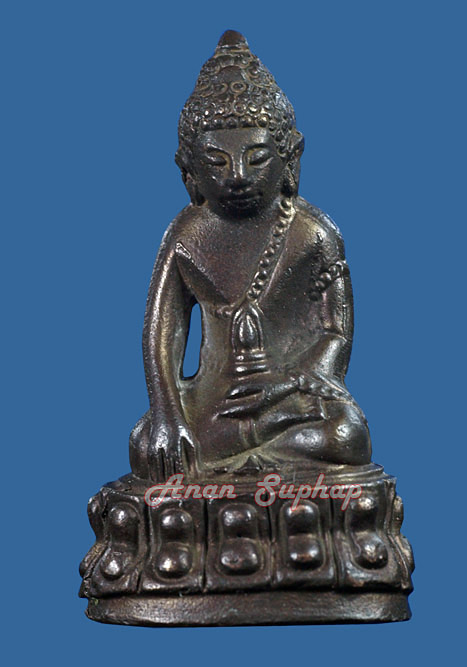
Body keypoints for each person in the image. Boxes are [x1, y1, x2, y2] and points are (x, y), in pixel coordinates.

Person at [129, 31, 371, 481]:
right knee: (147, 443)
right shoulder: (186, 236)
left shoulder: (312, 234)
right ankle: (246, 459)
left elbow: (335, 332)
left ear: (290, 159)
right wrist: (167, 413)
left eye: (257, 158)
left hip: (288, 399)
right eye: (217, 163)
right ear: (188, 170)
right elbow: (162, 332)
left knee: (345, 434)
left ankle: (238, 461)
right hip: (214, 402)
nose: (238, 176)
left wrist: (283, 386)